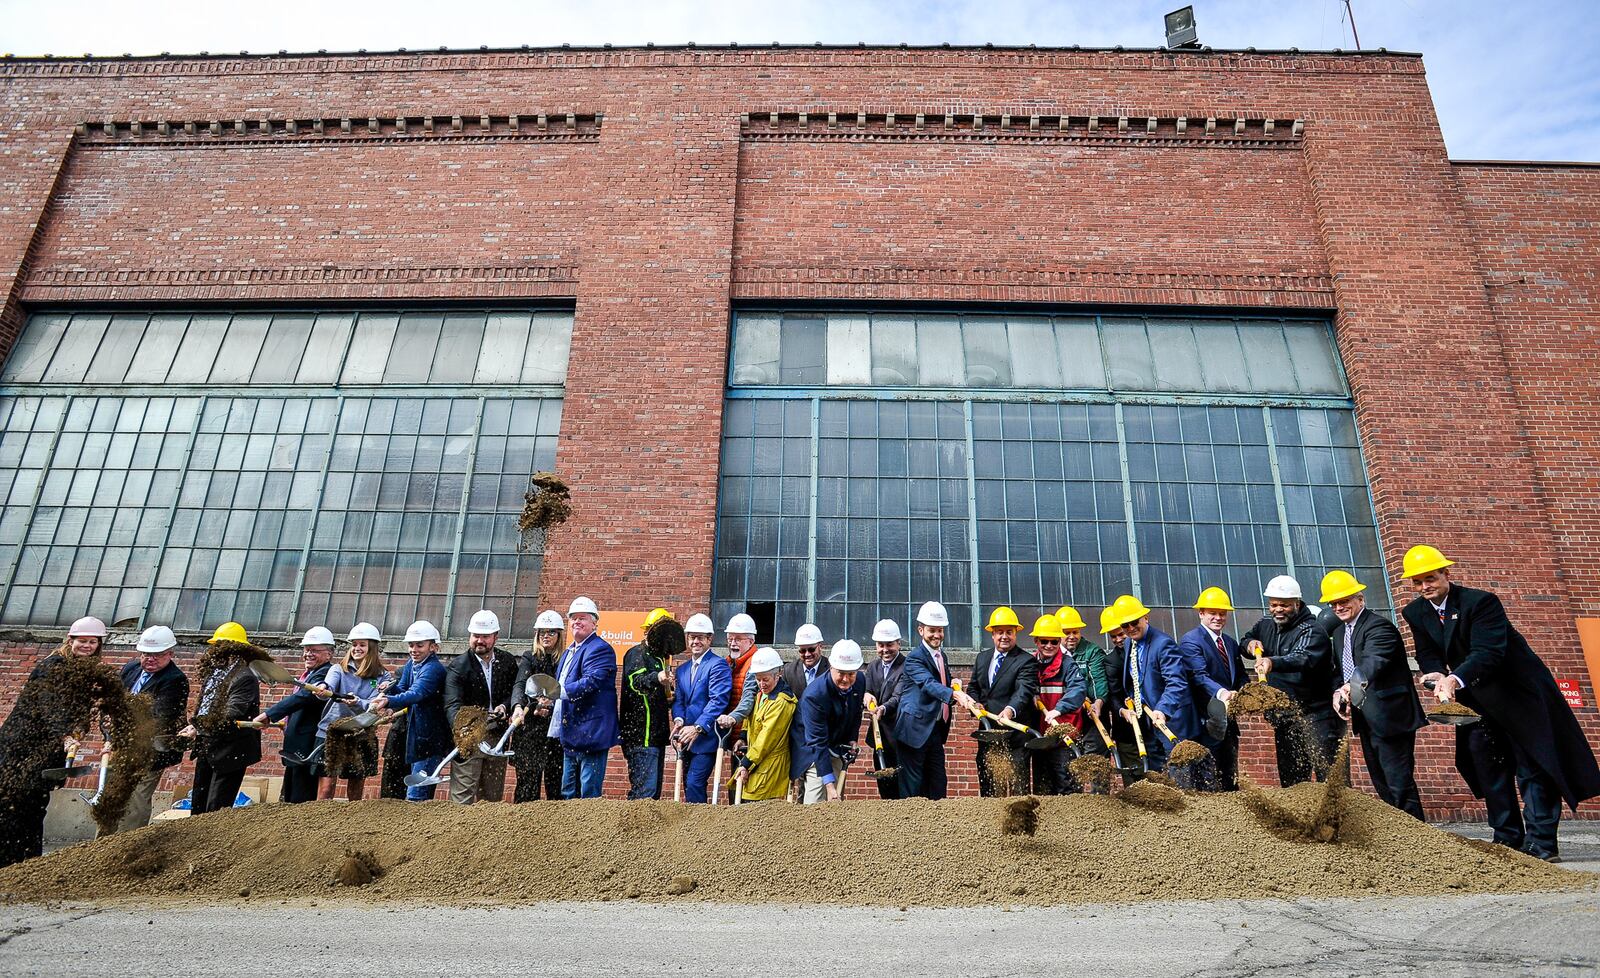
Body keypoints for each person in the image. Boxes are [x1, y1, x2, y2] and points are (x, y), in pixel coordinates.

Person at [1401, 545, 1600, 861]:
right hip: (1478, 700)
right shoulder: (1415, 612)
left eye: (1430, 578)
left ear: (1445, 574)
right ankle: (1507, 837)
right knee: (1486, 763)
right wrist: (1435, 673)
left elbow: (1488, 653)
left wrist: (1454, 680)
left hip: (1519, 694)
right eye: (1417, 582)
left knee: (1532, 767)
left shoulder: (1481, 603)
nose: (1425, 586)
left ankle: (1542, 844)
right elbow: (1428, 652)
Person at [0, 617, 114, 865]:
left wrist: (80, 729)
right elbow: (49, 705)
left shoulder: (85, 671)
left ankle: (28, 864)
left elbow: (80, 709)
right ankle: (7, 864)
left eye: (92, 642)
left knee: (35, 807)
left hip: (47, 751)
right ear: (70, 640)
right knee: (12, 806)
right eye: (82, 641)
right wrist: (65, 734)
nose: (87, 646)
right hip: (21, 745)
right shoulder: (52, 667)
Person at [1321, 571, 1426, 819]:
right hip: (1365, 716)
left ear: (1360, 599)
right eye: (1333, 603)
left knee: (1398, 782)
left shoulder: (1379, 627)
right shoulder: (1339, 633)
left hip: (1390, 716)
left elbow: (1372, 662)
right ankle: (1397, 833)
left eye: (1344, 600)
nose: (1339, 607)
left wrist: (1350, 686)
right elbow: (1339, 669)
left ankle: (1417, 836)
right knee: (1381, 780)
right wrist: (1339, 689)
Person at [1242, 575, 1339, 786]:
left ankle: (1334, 816)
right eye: (1274, 604)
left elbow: (1302, 657)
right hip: (1285, 716)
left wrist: (1272, 662)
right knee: (1292, 776)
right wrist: (1250, 645)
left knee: (1328, 774)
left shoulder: (1312, 630)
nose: (1278, 609)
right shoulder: (1265, 625)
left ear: (1297, 603)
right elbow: (1247, 639)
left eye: (1284, 605)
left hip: (1315, 714)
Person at [102, 624, 189, 834]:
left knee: (135, 801)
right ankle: (100, 847)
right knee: (109, 798)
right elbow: (112, 702)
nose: (150, 660)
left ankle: (127, 845)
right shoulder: (130, 669)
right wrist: (109, 735)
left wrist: (126, 735)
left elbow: (159, 719)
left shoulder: (175, 681)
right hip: (121, 746)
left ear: (170, 654)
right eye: (146, 654)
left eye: (157, 655)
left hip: (150, 750)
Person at [894, 601, 978, 800]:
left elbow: (940, 680)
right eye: (932, 630)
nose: (937, 635)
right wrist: (954, 694)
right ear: (921, 630)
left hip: (935, 729)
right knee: (912, 788)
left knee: (938, 783)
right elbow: (928, 684)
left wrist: (953, 683)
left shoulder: (941, 656)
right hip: (913, 730)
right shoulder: (914, 658)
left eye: (940, 630)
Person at [183, 622, 265, 814]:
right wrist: (195, 726)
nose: (216, 651)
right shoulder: (214, 672)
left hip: (230, 750)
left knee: (216, 807)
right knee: (198, 804)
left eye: (222, 646)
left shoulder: (245, 677)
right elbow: (205, 706)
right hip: (208, 746)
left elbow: (233, 712)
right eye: (215, 646)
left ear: (235, 649)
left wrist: (199, 728)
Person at [443, 609, 519, 804]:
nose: (479, 640)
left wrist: (505, 706)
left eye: (485, 636)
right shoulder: (459, 666)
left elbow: (516, 691)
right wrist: (463, 730)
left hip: (497, 736)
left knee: (492, 796)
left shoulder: (507, 662)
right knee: (463, 795)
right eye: (476, 636)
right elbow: (452, 704)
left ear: (495, 637)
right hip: (470, 736)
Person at [370, 621, 450, 802]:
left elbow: (416, 694)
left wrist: (388, 700)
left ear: (433, 647)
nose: (414, 649)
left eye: (420, 645)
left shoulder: (433, 669)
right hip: (417, 735)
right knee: (416, 788)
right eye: (411, 645)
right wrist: (389, 691)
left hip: (430, 738)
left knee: (417, 792)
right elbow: (403, 688)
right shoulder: (411, 665)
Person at [1113, 596, 1194, 774]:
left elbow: (1176, 681)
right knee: (1156, 774)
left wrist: (1163, 709)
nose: (1131, 628)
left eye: (1134, 622)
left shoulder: (1163, 643)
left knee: (1179, 773)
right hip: (1147, 720)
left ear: (1146, 618)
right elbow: (1136, 677)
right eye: (1125, 625)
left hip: (1171, 720)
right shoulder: (1129, 643)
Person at [968, 606, 1041, 796]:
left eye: (1009, 632)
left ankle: (1019, 824)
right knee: (991, 788)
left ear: (1016, 633)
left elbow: (1024, 691)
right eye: (999, 632)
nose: (1004, 636)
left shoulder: (1026, 661)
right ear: (992, 635)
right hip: (989, 735)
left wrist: (1010, 710)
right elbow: (973, 687)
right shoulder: (982, 658)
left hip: (1015, 735)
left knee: (1018, 788)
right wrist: (975, 703)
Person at [257, 626, 335, 803]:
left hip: (307, 744)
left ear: (329, 654)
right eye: (306, 649)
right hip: (297, 743)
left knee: (301, 797)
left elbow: (303, 697)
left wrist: (270, 714)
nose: (308, 654)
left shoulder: (326, 673)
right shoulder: (309, 674)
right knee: (290, 797)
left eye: (314, 650)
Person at [552, 596, 619, 799]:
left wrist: (559, 693)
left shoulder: (600, 649)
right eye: (573, 618)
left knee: (589, 793)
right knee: (568, 791)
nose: (576, 622)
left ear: (594, 622)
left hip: (591, 733)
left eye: (582, 618)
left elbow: (591, 682)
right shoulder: (569, 652)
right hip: (572, 733)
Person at [1179, 587, 1245, 789]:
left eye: (1222, 614)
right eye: (1212, 613)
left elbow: (1240, 676)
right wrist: (1222, 693)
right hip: (1205, 721)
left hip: (1228, 723)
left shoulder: (1230, 643)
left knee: (1229, 774)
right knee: (1207, 775)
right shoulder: (1191, 641)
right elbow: (1199, 676)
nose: (1218, 618)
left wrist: (1244, 692)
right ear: (1201, 613)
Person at [316, 622, 387, 802]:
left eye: (362, 645)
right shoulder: (338, 669)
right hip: (331, 732)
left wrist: (358, 702)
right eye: (354, 644)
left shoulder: (383, 677)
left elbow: (374, 705)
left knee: (355, 789)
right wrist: (323, 688)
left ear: (371, 647)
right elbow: (328, 685)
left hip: (360, 733)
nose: (356, 648)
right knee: (326, 788)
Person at [671, 613, 731, 803]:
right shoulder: (682, 670)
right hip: (686, 739)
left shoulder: (717, 665)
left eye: (700, 637)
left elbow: (718, 700)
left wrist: (698, 727)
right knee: (688, 785)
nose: (695, 641)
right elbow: (679, 701)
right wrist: (679, 720)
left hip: (706, 738)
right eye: (692, 637)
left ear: (709, 639)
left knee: (695, 782)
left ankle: (698, 825)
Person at [799, 639, 867, 802]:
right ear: (831, 667)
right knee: (816, 801)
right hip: (813, 748)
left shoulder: (860, 681)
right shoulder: (814, 696)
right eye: (841, 673)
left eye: (851, 673)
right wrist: (829, 785)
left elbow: (856, 712)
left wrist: (852, 738)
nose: (845, 679)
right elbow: (817, 743)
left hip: (836, 746)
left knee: (836, 801)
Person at [1027, 614, 1087, 795]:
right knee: (1042, 789)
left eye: (1054, 642)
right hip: (1040, 737)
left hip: (1064, 737)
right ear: (1036, 641)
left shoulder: (1068, 665)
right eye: (1044, 641)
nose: (1049, 646)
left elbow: (1078, 689)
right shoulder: (1030, 664)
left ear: (1059, 641)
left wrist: (1058, 709)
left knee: (1067, 788)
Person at [620, 608, 675, 800]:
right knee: (644, 794)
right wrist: (657, 677)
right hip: (640, 737)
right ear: (647, 631)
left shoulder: (661, 658)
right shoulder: (637, 653)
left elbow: (658, 698)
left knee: (653, 796)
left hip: (657, 738)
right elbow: (636, 682)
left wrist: (669, 697)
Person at [511, 610, 565, 802]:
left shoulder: (565, 660)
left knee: (556, 784)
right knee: (527, 785)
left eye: (551, 632)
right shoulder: (529, 658)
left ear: (559, 635)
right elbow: (520, 684)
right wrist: (519, 706)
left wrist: (551, 705)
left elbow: (565, 691)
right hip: (530, 731)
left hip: (554, 731)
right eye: (542, 632)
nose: (546, 636)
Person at [735, 647, 795, 802]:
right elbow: (752, 718)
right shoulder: (762, 695)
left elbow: (766, 738)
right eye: (758, 679)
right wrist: (743, 735)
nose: (761, 684)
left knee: (760, 812)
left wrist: (746, 763)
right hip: (757, 760)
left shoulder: (781, 702)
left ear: (778, 675)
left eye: (765, 679)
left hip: (770, 766)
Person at [782, 623, 828, 798]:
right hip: (798, 740)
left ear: (820, 647)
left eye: (811, 649)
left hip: (823, 739)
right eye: (802, 651)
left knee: (821, 792)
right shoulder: (789, 671)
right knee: (798, 792)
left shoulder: (831, 669)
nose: (807, 654)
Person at [862, 618, 906, 799]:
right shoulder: (873, 667)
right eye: (881, 645)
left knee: (901, 785)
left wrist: (883, 708)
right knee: (884, 786)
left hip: (899, 735)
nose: (885, 650)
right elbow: (868, 689)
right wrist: (866, 694)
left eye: (890, 644)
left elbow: (898, 697)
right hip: (879, 735)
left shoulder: (907, 666)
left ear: (899, 644)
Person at [714, 614, 761, 761]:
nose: (733, 643)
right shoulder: (729, 664)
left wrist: (732, 718)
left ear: (751, 641)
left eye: (738, 639)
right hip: (734, 734)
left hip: (750, 736)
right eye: (730, 639)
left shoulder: (755, 663)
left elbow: (748, 699)